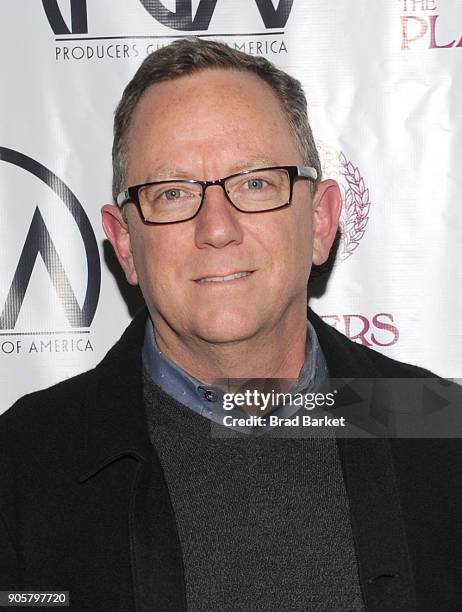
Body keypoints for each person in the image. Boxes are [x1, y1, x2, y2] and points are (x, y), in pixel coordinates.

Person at [1, 38, 461, 611]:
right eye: (171, 192)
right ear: (125, 244)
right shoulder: (23, 464)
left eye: (254, 183)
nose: (216, 228)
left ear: (320, 220)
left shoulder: (443, 431)